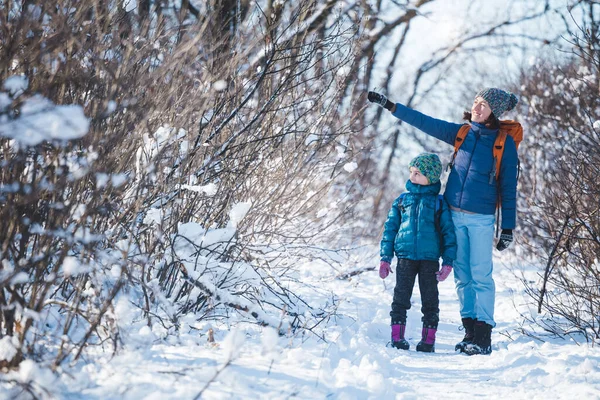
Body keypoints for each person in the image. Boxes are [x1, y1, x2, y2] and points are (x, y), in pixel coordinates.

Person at [369, 88, 519, 356]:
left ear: (494, 112)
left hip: (481, 219)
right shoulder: (462, 133)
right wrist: (391, 106)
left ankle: (483, 335)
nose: (477, 108)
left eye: (484, 105)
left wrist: (507, 227)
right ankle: (470, 330)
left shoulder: (503, 143)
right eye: (475, 102)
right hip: (452, 215)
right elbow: (425, 122)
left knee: (480, 274)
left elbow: (508, 187)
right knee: (462, 276)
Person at [379, 153, 457, 353]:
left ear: (430, 178)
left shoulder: (439, 203)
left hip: (429, 259)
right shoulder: (402, 200)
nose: (412, 177)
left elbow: (449, 233)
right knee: (400, 298)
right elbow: (390, 229)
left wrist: (448, 262)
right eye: (411, 172)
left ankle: (428, 341)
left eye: (418, 173)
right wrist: (385, 258)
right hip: (405, 258)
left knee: (430, 299)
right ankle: (397, 338)